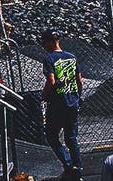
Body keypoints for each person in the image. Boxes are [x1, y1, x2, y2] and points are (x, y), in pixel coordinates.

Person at [41, 30, 83, 179]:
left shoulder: (49, 59)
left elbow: (51, 81)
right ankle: (78, 166)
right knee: (71, 137)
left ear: (50, 43)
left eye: (44, 43)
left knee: (51, 135)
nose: (43, 46)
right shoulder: (72, 57)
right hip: (72, 101)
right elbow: (79, 81)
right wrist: (78, 96)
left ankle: (68, 164)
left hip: (58, 103)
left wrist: (44, 96)